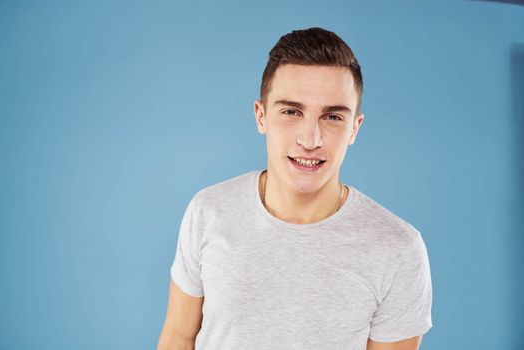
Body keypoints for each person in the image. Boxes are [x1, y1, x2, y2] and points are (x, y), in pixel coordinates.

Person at [157, 27, 433, 350]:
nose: (310, 140)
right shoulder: (207, 211)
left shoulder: (398, 250)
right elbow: (178, 336)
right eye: (291, 112)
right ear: (261, 116)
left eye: (332, 117)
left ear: (355, 128)